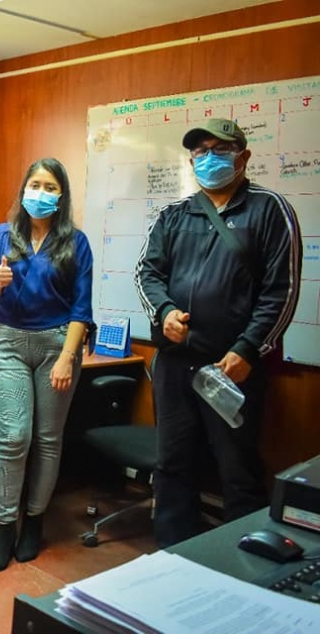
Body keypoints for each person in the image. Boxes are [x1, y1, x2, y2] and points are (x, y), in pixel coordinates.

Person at [135, 118, 302, 548]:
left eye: (220, 149)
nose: (209, 158)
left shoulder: (270, 210)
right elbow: (147, 273)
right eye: (200, 152)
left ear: (243, 157)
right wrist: (165, 311)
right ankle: (174, 557)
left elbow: (281, 291)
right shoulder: (174, 215)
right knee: (173, 465)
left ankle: (241, 568)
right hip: (175, 365)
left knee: (237, 471)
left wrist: (248, 349)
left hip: (231, 369)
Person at [0, 158, 93, 573]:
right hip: (9, 341)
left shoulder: (76, 242)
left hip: (57, 346)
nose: (40, 193)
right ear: (23, 189)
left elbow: (82, 308)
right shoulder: (2, 235)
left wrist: (67, 357)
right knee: (14, 436)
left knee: (47, 439)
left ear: (61, 195)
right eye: (34, 185)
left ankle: (35, 521)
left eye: (49, 187)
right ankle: (5, 526)